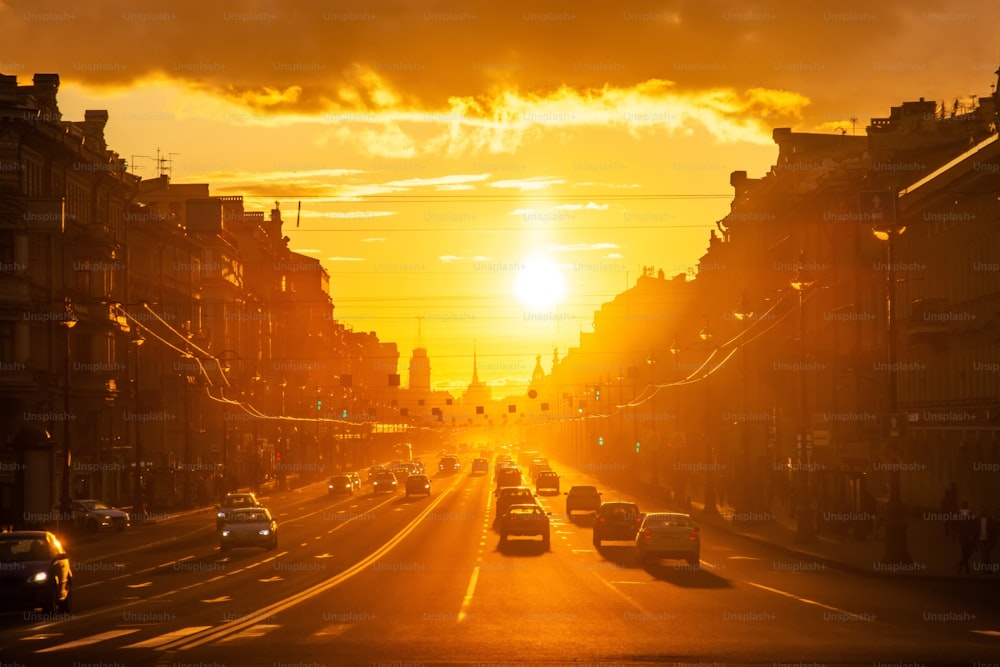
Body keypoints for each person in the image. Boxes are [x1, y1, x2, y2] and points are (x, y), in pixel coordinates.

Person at [956, 500, 976, 575]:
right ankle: (966, 568)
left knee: (967, 552)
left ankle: (961, 564)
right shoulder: (962, 514)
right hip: (965, 536)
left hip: (965, 536)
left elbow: (973, 524)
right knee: (966, 552)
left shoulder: (965, 514)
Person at [976, 506, 997, 573]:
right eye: (982, 511)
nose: (983, 512)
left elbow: (994, 530)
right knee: (985, 554)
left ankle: (985, 569)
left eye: (984, 511)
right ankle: (987, 569)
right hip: (980, 539)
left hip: (987, 540)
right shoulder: (977, 520)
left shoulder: (990, 520)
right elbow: (974, 529)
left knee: (985, 554)